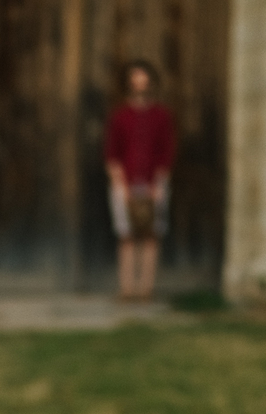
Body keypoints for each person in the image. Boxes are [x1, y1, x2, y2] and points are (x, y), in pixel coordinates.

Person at [104, 59, 176, 302]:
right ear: (128, 84)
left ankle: (146, 289)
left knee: (150, 237)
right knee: (126, 237)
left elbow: (166, 152)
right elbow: (112, 153)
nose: (139, 85)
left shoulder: (161, 116)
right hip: (125, 183)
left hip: (153, 183)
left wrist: (158, 184)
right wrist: (120, 184)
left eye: (144, 80)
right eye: (135, 80)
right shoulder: (120, 117)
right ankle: (127, 289)